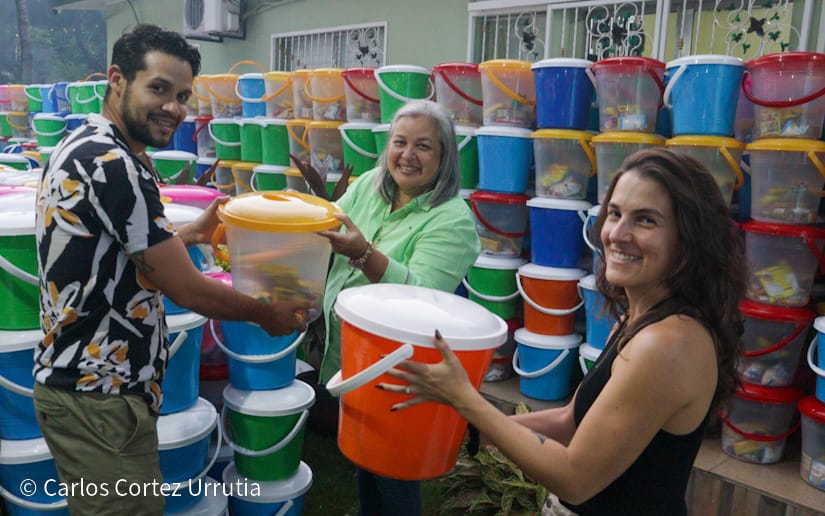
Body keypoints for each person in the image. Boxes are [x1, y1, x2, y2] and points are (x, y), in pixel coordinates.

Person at [33, 24, 311, 515]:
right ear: (117, 79)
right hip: (98, 396)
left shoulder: (89, 143)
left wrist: (191, 235)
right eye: (159, 89)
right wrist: (264, 314)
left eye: (182, 96)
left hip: (87, 389)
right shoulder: (113, 163)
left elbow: (112, 255)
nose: (174, 108)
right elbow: (188, 290)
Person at [381, 148, 747, 515]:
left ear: (690, 239)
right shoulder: (640, 320)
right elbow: (571, 420)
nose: (618, 234)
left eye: (646, 220)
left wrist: (465, 399)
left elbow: (575, 477)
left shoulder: (668, 343)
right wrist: (471, 430)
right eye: (615, 213)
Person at [313, 99, 481, 516]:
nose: (408, 155)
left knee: (393, 467)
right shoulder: (372, 185)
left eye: (423, 146)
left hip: (400, 366)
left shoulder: (453, 220)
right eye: (400, 142)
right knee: (365, 456)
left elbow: (422, 298)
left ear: (444, 158)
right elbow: (330, 226)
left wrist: (364, 254)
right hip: (354, 354)